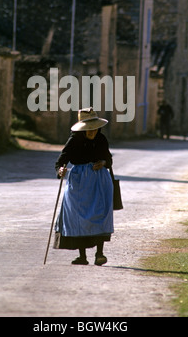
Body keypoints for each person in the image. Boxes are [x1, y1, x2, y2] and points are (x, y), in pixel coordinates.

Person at [54, 107, 114, 266]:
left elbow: (108, 159)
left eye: (94, 128)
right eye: (88, 128)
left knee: (100, 214)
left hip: (99, 180)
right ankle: (82, 256)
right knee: (79, 216)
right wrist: (60, 170)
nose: (92, 132)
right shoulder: (74, 140)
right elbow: (62, 160)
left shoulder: (101, 139)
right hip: (79, 182)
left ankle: (100, 254)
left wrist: (103, 162)